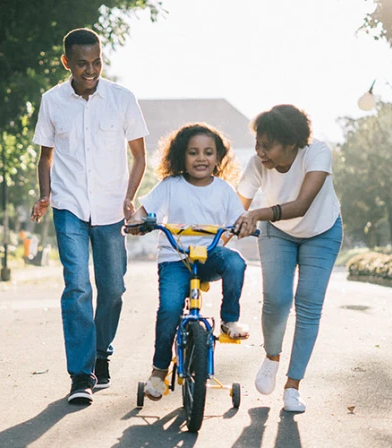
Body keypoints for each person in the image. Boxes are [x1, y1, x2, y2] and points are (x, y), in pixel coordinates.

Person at [30, 28, 148, 405]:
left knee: (113, 288)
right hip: (69, 207)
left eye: (96, 62)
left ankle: (101, 354)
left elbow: (139, 156)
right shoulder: (52, 101)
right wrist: (46, 195)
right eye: (82, 64)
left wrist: (129, 198)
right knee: (78, 286)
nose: (91, 70)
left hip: (112, 209)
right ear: (67, 63)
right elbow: (45, 156)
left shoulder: (122, 99)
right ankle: (81, 374)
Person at [127, 123, 250, 401]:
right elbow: (143, 212)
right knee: (170, 309)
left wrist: (243, 226)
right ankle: (158, 372)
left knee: (236, 263)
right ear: (182, 156)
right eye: (193, 152)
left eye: (208, 152)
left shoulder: (224, 190)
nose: (201, 158)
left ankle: (229, 320)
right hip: (175, 259)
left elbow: (238, 220)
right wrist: (137, 222)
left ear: (218, 158)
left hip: (209, 256)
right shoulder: (170, 186)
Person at [234, 104, 342, 413]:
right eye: (258, 143)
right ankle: (272, 357)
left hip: (322, 231)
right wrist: (220, 235)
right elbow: (236, 207)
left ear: (292, 144)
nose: (260, 151)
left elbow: (303, 204)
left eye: (268, 145)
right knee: (277, 300)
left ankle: (293, 386)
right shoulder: (258, 164)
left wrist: (257, 213)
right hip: (278, 233)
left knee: (308, 303)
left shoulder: (316, 153)